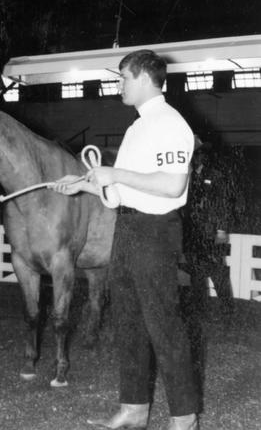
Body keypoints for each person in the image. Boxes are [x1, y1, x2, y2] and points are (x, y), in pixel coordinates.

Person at [52, 50, 198, 430]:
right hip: (129, 229)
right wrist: (81, 184)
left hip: (155, 231)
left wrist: (113, 172)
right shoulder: (137, 128)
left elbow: (172, 184)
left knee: (164, 325)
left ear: (146, 79)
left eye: (124, 78)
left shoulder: (170, 123)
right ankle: (134, 409)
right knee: (129, 323)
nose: (119, 86)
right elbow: (121, 185)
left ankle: (184, 417)